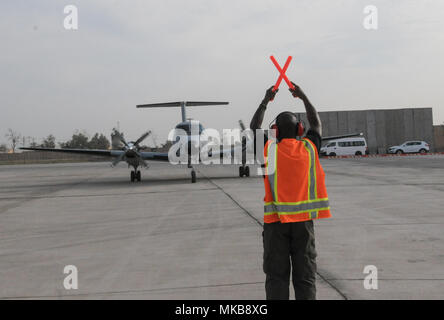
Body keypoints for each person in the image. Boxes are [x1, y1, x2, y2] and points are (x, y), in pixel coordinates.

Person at [250, 82, 331, 300]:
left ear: (275, 132)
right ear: (300, 130)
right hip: (303, 225)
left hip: (275, 224)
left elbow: (254, 128)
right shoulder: (309, 149)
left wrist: (266, 99)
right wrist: (303, 96)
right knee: (305, 277)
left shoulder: (268, 150)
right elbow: (317, 123)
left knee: (276, 278)